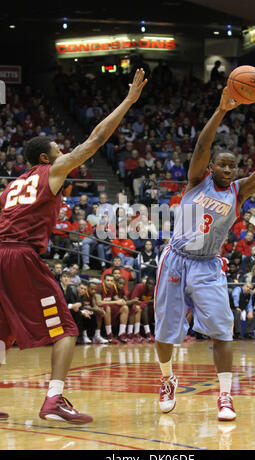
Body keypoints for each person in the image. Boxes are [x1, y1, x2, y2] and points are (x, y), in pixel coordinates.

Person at [0, 68, 147, 422]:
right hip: (19, 256)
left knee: (1, 333)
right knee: (66, 329)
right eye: (58, 149)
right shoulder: (49, 173)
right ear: (46, 160)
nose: (64, 151)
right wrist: (127, 101)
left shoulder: (10, 188)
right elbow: (95, 140)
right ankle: (54, 400)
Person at [154, 86, 255, 422]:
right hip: (176, 259)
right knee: (166, 333)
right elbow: (201, 146)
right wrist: (221, 110)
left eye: (232, 166)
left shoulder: (239, 192)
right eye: (222, 165)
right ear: (211, 166)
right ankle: (167, 379)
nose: (228, 170)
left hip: (208, 266)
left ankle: (225, 397)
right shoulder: (197, 180)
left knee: (222, 332)